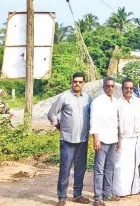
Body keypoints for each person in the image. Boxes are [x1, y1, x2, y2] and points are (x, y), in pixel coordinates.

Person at [47, 72, 93, 206]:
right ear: (72, 82)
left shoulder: (88, 98)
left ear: (83, 83)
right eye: (75, 81)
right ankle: (62, 198)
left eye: (80, 82)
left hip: (83, 140)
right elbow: (51, 114)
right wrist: (59, 128)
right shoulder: (64, 97)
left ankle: (77, 195)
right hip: (67, 140)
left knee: (80, 168)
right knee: (65, 169)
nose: (77, 84)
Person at [112, 78, 140, 197]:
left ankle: (134, 188)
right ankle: (120, 190)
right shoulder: (117, 103)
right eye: (126, 88)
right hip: (123, 139)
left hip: (137, 138)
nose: (128, 90)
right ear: (122, 89)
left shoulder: (138, 102)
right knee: (121, 164)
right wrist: (116, 139)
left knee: (134, 163)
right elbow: (114, 123)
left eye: (131, 88)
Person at [89, 77, 120, 206]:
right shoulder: (97, 101)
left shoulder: (116, 101)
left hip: (113, 139)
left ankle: (107, 194)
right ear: (103, 86)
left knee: (110, 168)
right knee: (99, 169)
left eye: (112, 86)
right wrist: (96, 138)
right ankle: (98, 198)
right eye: (107, 86)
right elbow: (93, 120)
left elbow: (117, 121)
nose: (110, 88)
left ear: (114, 87)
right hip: (101, 140)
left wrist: (117, 138)